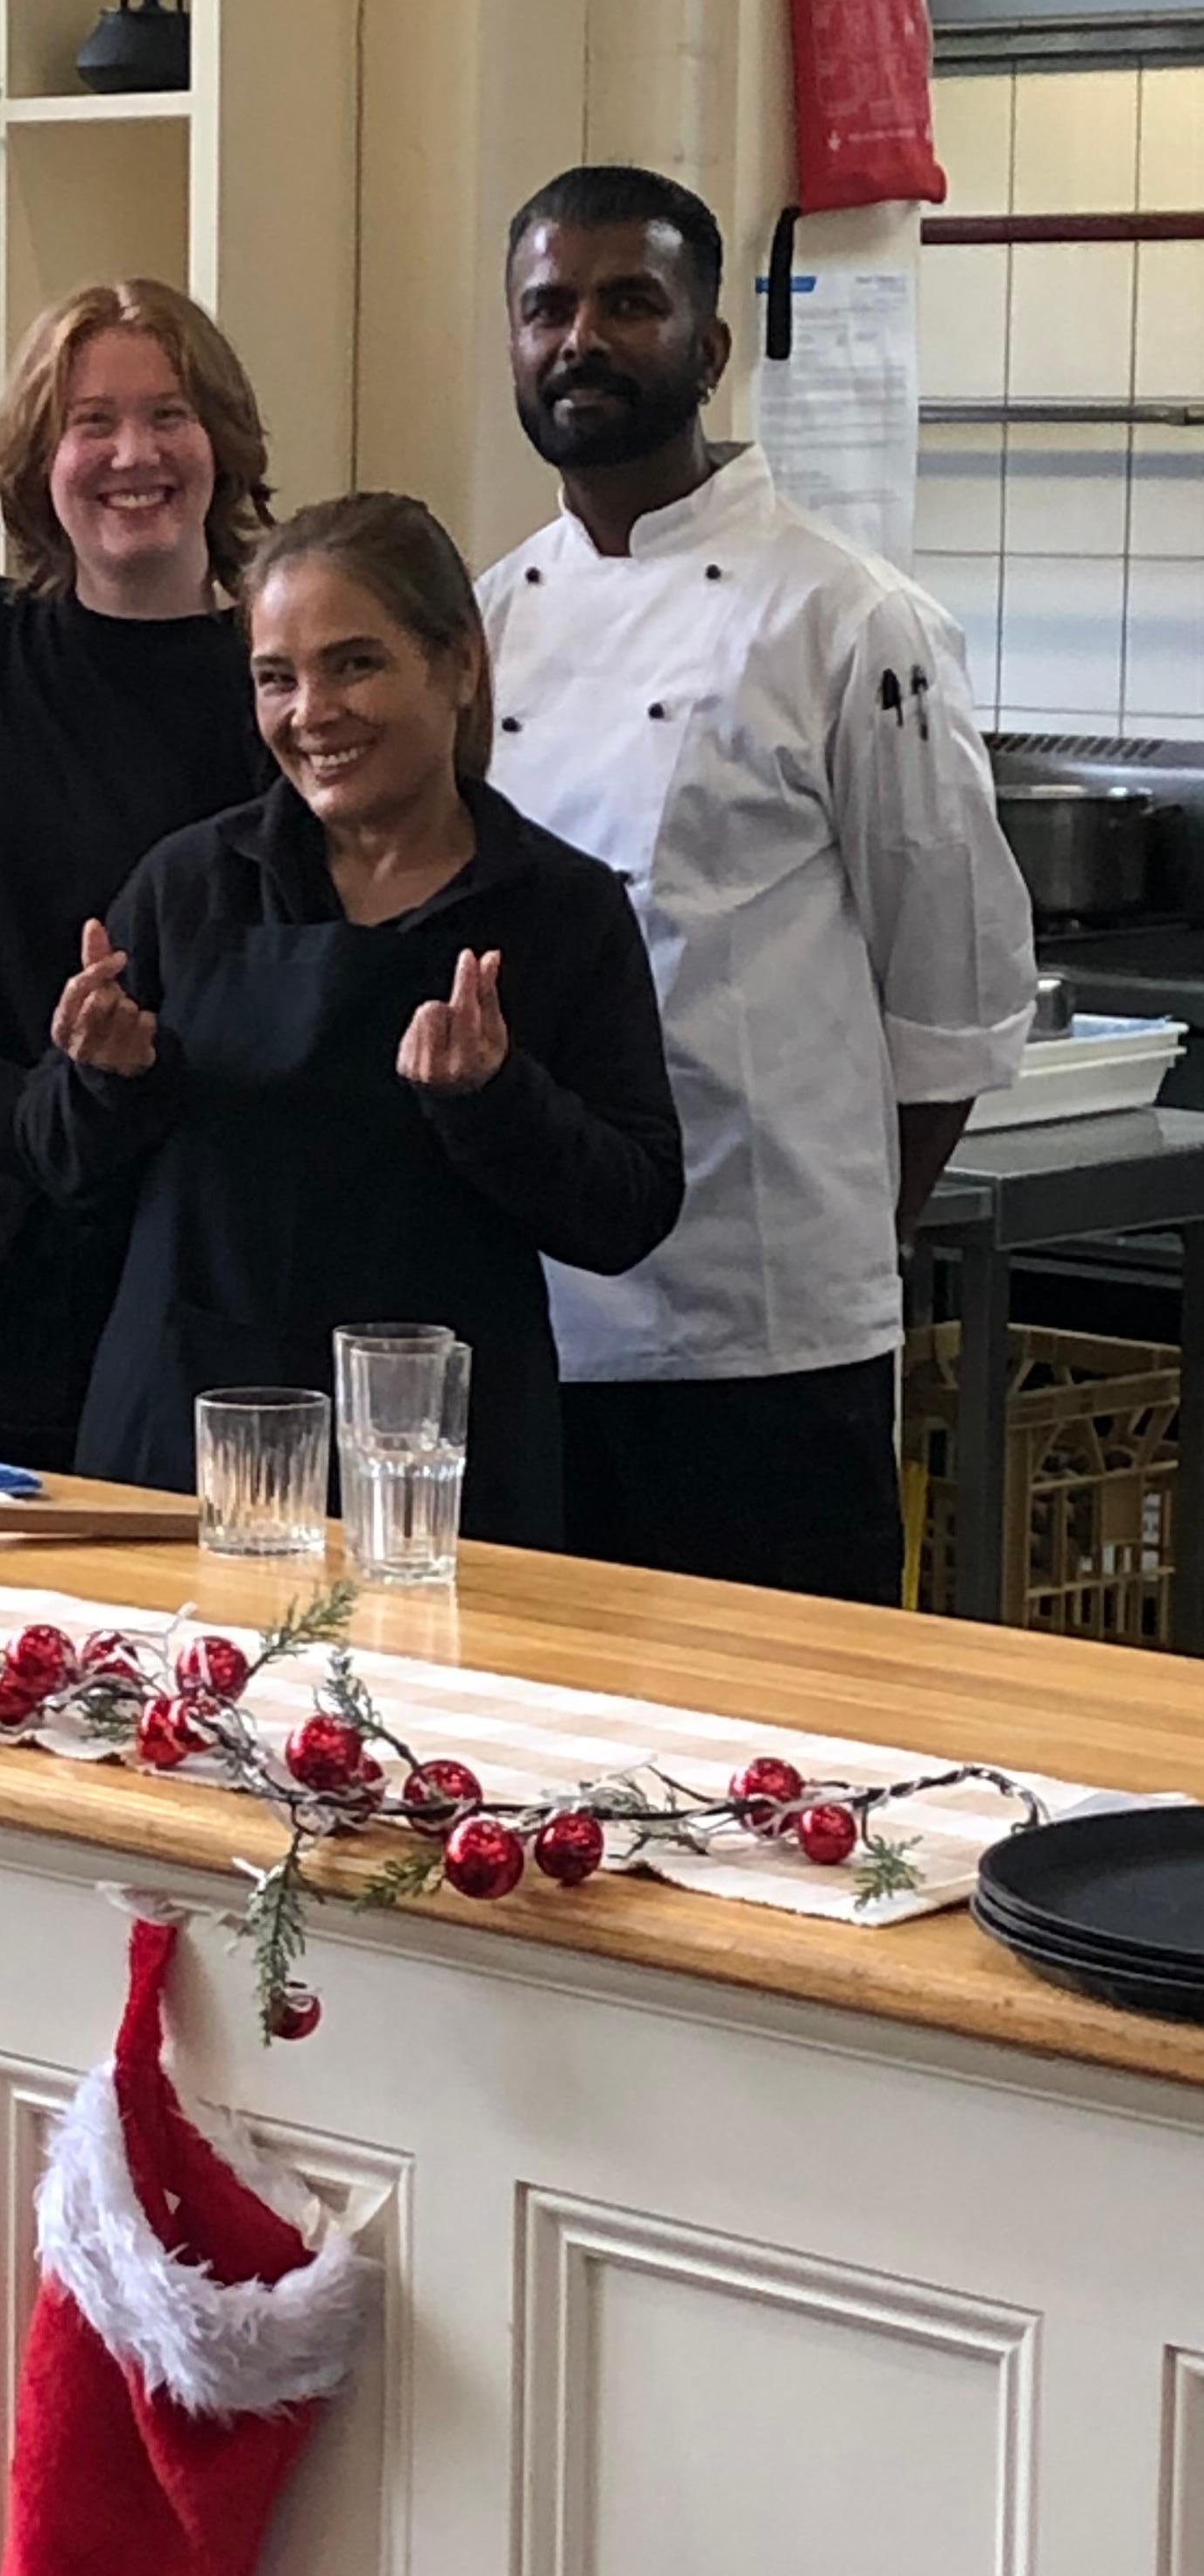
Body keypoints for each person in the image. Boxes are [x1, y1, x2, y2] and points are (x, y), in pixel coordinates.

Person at [480, 161, 1036, 1601]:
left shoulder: (851, 620)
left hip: (763, 1343)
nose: (579, 339)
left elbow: (949, 1004)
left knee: (774, 1732)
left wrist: (825, 1246)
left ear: (710, 345)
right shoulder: (480, 623)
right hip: (526, 1321)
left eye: (627, 302)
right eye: (546, 308)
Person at [17, 495, 681, 1545]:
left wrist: (496, 1099)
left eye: (355, 665)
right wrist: (104, 1077)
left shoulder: (558, 908)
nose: (312, 712)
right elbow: (58, 1167)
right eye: (276, 678)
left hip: (434, 1475)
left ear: (458, 665)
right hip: (185, 1446)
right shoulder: (192, 883)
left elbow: (629, 1213)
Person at [0, 279, 271, 1467]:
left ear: (222, 443)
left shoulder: (276, 678)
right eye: (93, 423)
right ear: (42, 462)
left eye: (169, 415)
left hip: (185, 1213)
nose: (134, 454)